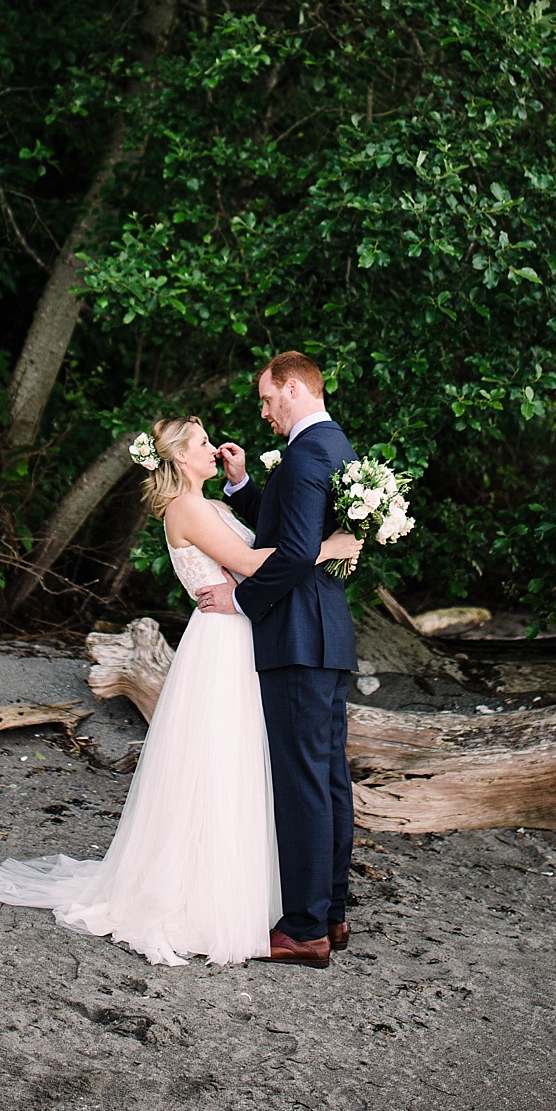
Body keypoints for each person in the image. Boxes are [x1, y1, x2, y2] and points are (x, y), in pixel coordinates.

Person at [0, 413, 359, 966]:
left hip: (241, 637)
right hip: (223, 641)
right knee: (218, 764)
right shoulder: (187, 508)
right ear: (180, 457)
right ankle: (208, 894)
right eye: (203, 443)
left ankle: (263, 894)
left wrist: (242, 482)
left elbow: (261, 537)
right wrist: (330, 545)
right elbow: (251, 562)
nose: (214, 447)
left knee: (243, 764)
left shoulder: (214, 505)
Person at [196, 350, 359, 968]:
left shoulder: (304, 455)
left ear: (292, 389)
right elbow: (300, 529)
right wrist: (242, 487)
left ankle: (302, 928)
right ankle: (333, 914)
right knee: (329, 779)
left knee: (301, 785)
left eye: (267, 399)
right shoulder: (338, 448)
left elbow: (290, 552)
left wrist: (239, 599)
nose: (263, 412)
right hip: (329, 635)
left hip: (297, 636)